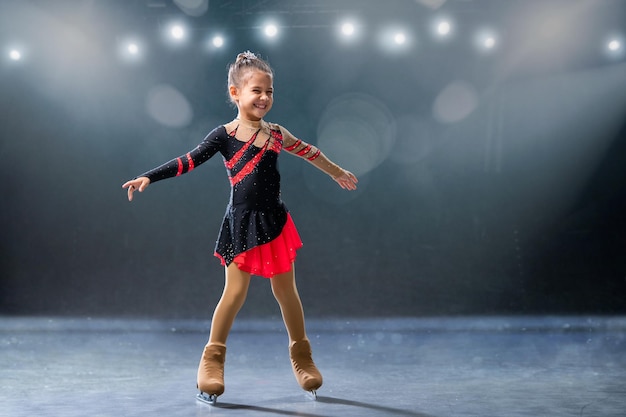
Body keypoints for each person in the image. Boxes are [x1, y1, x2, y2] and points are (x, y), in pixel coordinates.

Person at [122, 51, 358, 403]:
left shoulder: (276, 134)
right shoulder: (224, 135)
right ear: (235, 93)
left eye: (270, 91)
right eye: (256, 91)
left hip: (275, 221)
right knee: (234, 293)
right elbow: (189, 160)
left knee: (287, 293)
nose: (264, 98)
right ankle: (212, 360)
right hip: (241, 223)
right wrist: (149, 177)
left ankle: (302, 356)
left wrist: (337, 171)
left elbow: (310, 151)